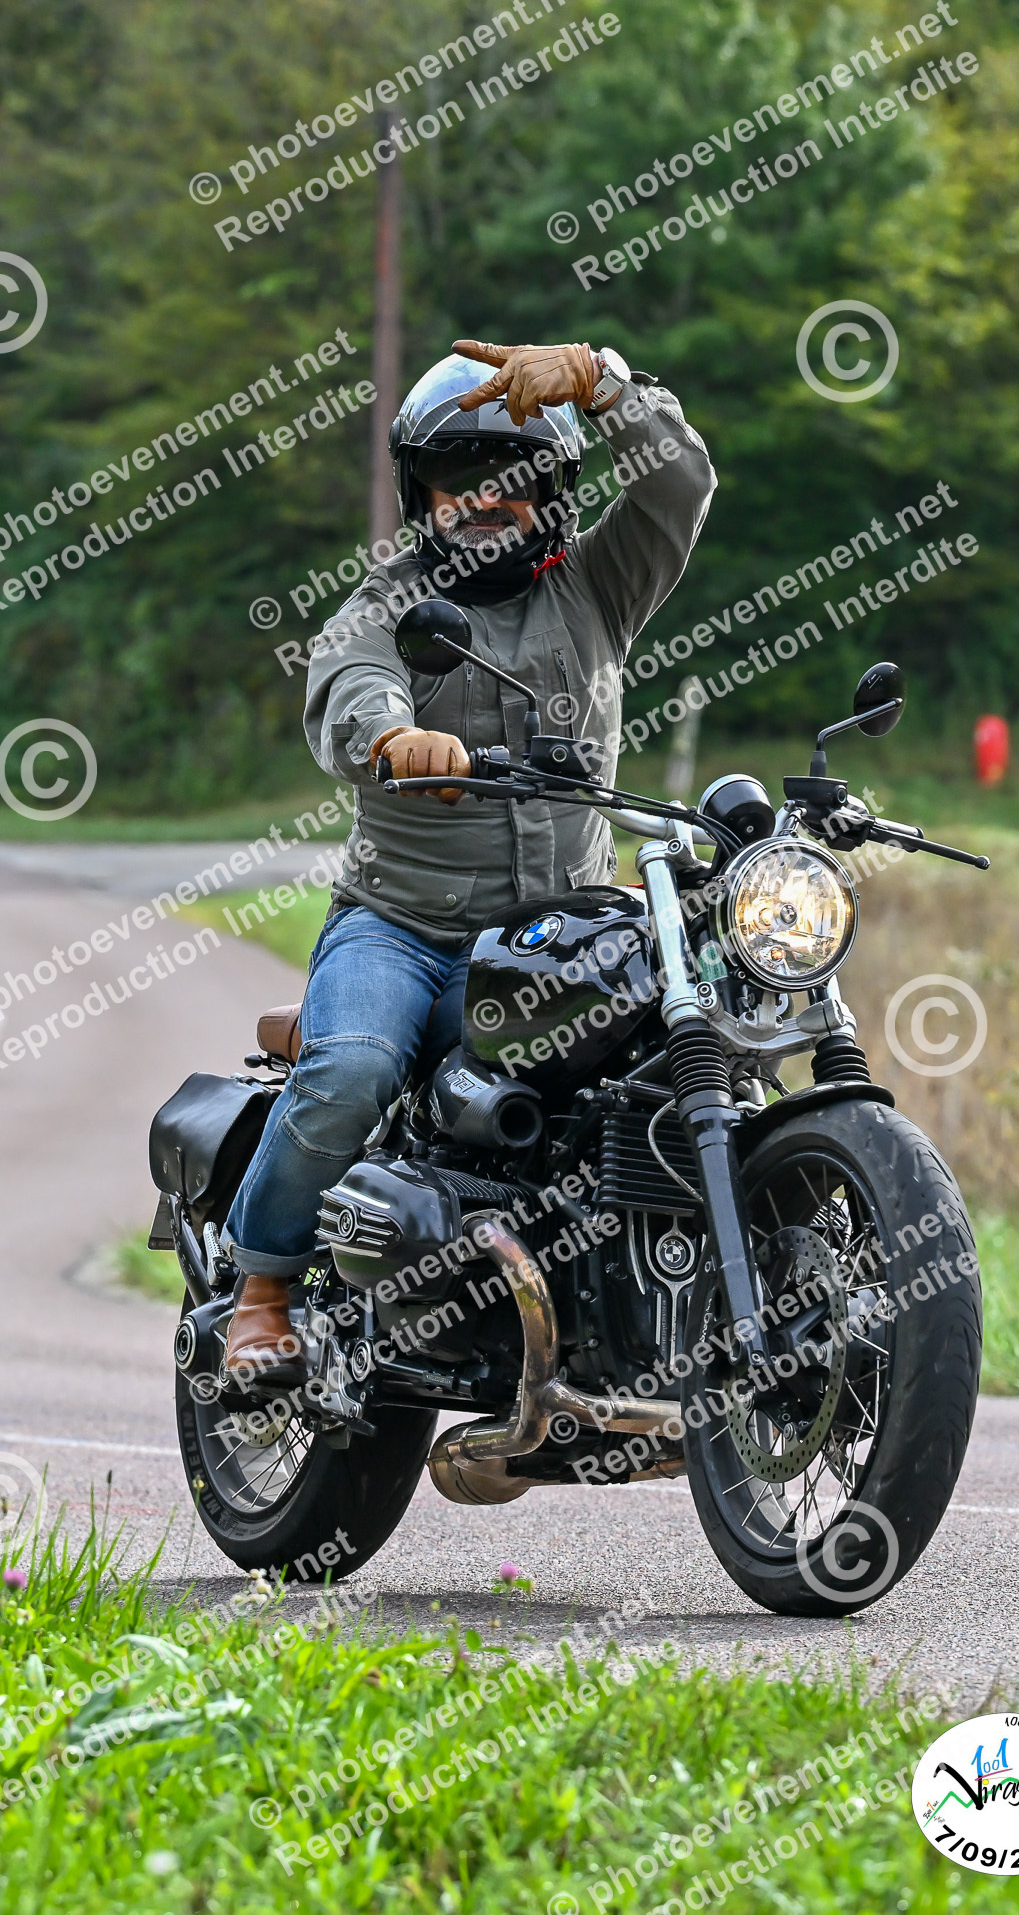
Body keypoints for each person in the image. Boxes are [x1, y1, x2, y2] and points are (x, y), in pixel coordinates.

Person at [222, 337, 716, 1377]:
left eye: (515, 477)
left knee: (661, 1068)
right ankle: (262, 1288)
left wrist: (605, 383)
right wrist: (395, 738)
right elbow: (352, 688)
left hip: (562, 934)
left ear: (554, 493)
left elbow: (679, 486)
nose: (487, 500)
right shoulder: (383, 608)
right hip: (403, 931)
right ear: (423, 493)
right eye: (461, 479)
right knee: (353, 1070)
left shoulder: (600, 587)